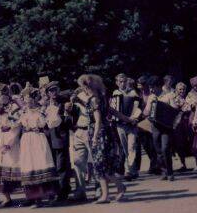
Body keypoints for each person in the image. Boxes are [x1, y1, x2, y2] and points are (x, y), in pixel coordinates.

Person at [77, 74, 127, 204]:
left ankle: (119, 187)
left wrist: (94, 138)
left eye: (83, 87)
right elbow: (113, 112)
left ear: (87, 87)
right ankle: (105, 195)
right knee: (102, 165)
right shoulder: (102, 97)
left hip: (98, 133)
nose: (82, 89)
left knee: (100, 164)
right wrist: (127, 119)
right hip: (105, 132)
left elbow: (98, 120)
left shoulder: (93, 100)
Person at [19, 86, 60, 208]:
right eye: (26, 101)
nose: (28, 103)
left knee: (42, 163)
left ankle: (51, 195)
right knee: (30, 165)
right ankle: (36, 198)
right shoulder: (22, 112)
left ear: (34, 100)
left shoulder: (41, 110)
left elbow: (49, 122)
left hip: (38, 139)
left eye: (30, 101)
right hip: (27, 140)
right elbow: (13, 122)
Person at [44, 80, 75, 202]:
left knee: (61, 166)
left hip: (60, 137)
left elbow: (68, 121)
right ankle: (55, 190)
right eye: (51, 90)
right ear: (47, 93)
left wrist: (65, 114)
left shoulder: (64, 103)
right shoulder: (45, 104)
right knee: (52, 166)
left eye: (56, 89)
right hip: (48, 138)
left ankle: (63, 191)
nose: (54, 92)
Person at [0, 85, 22, 207]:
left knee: (14, 164)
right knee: (1, 167)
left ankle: (30, 196)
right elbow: (0, 123)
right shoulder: (1, 109)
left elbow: (16, 124)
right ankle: (7, 198)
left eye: (3, 96)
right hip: (1, 139)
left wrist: (9, 142)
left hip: (11, 140)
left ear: (8, 96)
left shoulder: (14, 107)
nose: (1, 98)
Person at [110, 73, 141, 180]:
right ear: (117, 82)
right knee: (125, 148)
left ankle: (129, 171)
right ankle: (133, 170)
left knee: (131, 146)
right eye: (120, 81)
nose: (122, 83)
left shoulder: (133, 93)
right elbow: (113, 109)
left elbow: (138, 107)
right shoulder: (115, 93)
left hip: (132, 124)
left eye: (124, 81)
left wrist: (135, 118)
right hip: (120, 124)